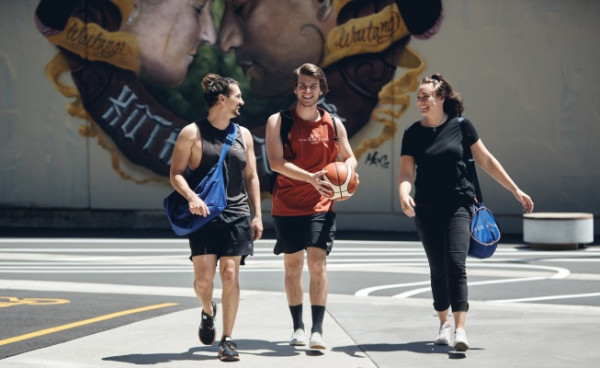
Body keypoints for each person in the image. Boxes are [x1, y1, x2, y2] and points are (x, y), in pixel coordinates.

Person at [398, 73, 534, 351]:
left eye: (426, 96)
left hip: (459, 205)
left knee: (456, 265)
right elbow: (405, 171)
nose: (421, 101)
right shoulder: (412, 133)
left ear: (442, 98)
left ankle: (461, 329)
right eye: (419, 97)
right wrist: (403, 193)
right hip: (426, 208)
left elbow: (486, 160)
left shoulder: (461, 126)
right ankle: (443, 324)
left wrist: (515, 190)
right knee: (438, 268)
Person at [169, 73, 263, 361]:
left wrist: (257, 215)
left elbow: (252, 176)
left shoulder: (243, 134)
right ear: (222, 99)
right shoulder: (191, 133)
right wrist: (192, 198)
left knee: (230, 274)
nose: (242, 102)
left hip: (236, 214)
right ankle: (208, 311)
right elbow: (175, 174)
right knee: (203, 281)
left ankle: (228, 339)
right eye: (238, 96)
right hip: (205, 216)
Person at [265, 63, 358, 349]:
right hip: (287, 204)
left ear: (321, 89)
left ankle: (317, 330)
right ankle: (298, 327)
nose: (307, 91)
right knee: (293, 267)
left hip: (321, 204)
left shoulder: (332, 124)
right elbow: (275, 163)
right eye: (302, 85)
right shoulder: (279, 121)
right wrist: (312, 178)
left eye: (313, 86)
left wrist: (349, 175)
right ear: (295, 88)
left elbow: (350, 157)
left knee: (317, 264)